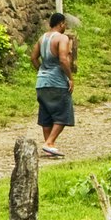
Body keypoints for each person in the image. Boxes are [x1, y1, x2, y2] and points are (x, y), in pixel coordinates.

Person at [35, 12, 76, 156]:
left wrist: (42, 70)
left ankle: (49, 148)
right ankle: (49, 142)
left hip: (41, 82)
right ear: (61, 24)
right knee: (63, 113)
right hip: (56, 82)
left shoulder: (42, 38)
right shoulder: (62, 38)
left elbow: (33, 58)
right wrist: (70, 77)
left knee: (46, 114)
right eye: (65, 24)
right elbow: (63, 59)